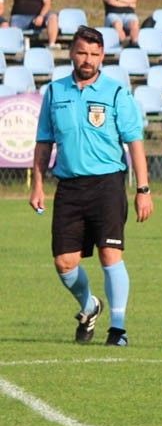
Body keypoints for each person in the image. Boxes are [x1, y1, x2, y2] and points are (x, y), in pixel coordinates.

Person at [28, 26, 152, 347]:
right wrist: (37, 185)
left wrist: (143, 189)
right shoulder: (55, 92)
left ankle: (118, 330)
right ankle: (89, 305)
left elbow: (134, 142)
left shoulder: (116, 93)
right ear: (72, 52)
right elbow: (44, 142)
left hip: (107, 184)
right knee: (64, 263)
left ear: (103, 56)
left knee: (110, 255)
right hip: (69, 187)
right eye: (83, 52)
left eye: (95, 54)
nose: (88, 59)